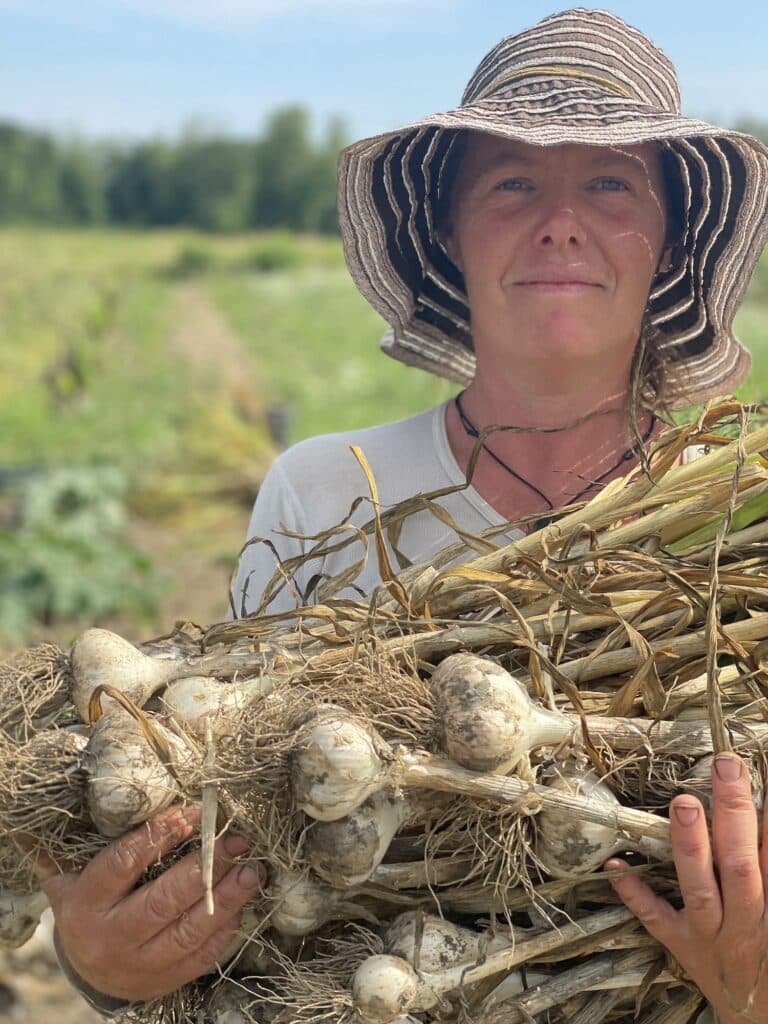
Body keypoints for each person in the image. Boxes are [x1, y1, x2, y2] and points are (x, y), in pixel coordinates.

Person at [38, 9, 768, 1022]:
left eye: (610, 182)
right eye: (513, 182)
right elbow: (215, 845)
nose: (562, 219)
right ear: (447, 233)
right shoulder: (323, 493)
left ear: (674, 241)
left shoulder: (742, 541)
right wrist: (100, 962)